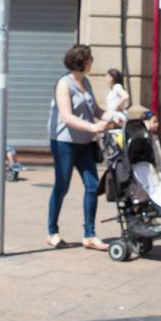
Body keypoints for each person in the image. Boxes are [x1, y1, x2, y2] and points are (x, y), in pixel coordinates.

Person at [48, 44, 109, 250]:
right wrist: (93, 126)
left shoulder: (86, 82)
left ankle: (89, 235)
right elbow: (66, 116)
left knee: (92, 186)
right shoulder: (64, 84)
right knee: (62, 186)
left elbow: (95, 109)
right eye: (89, 59)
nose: (92, 62)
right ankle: (52, 231)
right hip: (64, 142)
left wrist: (112, 116)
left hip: (85, 142)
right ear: (81, 61)